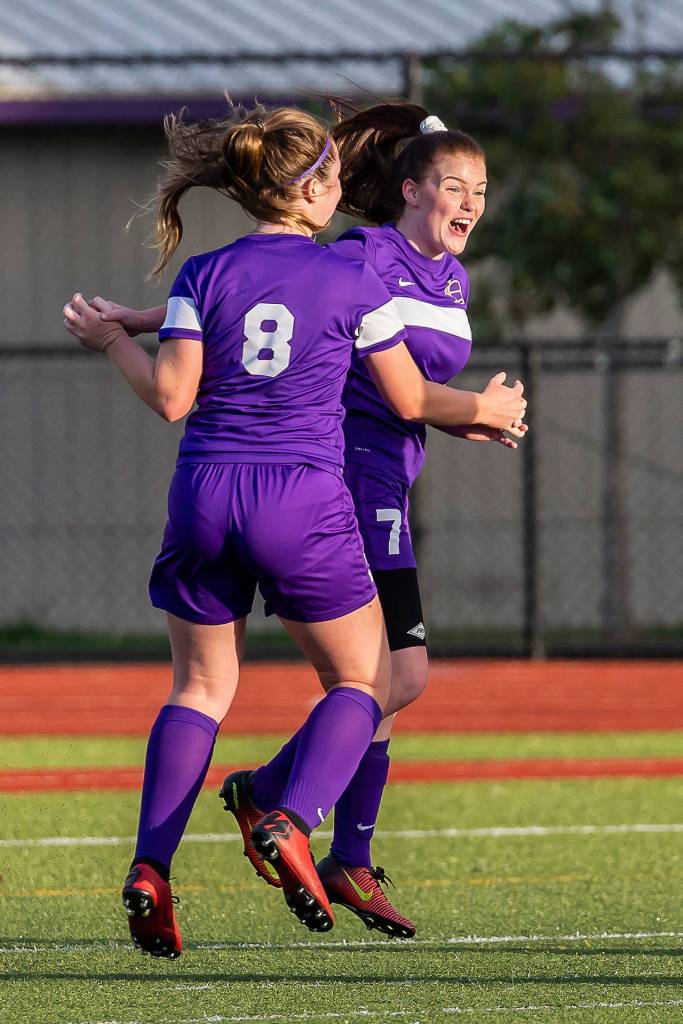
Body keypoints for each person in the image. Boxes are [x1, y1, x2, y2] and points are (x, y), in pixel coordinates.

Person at [64, 104, 527, 958]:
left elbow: (172, 398)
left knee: (198, 691)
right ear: (312, 186)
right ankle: (289, 818)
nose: (342, 188)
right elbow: (409, 398)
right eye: (333, 177)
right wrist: (486, 406)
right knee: (364, 679)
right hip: (306, 497)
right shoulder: (354, 276)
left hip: (202, 492)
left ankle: (150, 868)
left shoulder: (204, 272)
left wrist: (110, 339)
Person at [222, 102, 527, 938]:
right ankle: (294, 811)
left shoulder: (453, 278)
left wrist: (474, 418)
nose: (469, 201)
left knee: (388, 688)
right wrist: (142, 323)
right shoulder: (363, 252)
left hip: (388, 478)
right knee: (395, 678)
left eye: (481, 189)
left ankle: (338, 848)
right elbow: (279, 306)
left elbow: (410, 392)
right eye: (452, 185)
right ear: (407, 188)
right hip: (344, 481)